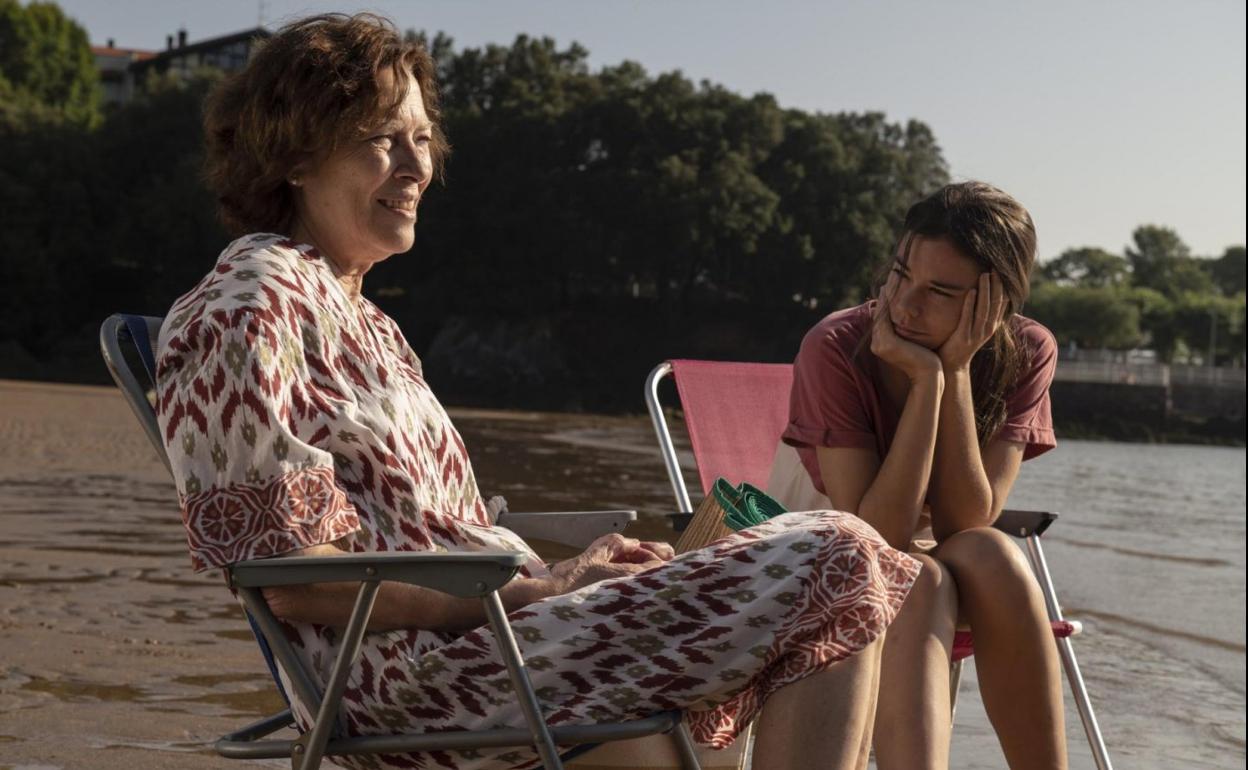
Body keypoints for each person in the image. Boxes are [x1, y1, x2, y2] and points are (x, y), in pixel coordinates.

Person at [153, 14, 920, 770]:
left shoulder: (369, 323)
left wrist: (566, 579)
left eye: (421, 140)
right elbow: (296, 578)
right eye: (381, 138)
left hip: (496, 639)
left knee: (831, 558)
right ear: (294, 153)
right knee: (840, 553)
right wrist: (520, 595)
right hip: (413, 683)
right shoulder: (251, 299)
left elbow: (431, 528)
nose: (416, 167)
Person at [769, 181, 1066, 769]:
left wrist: (953, 372)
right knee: (919, 579)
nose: (903, 306)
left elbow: (966, 521)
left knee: (996, 555)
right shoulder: (835, 345)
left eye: (939, 292)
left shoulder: (1027, 350)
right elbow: (873, 535)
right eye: (901, 274)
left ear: (994, 303)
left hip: (926, 551)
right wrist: (926, 383)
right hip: (812, 548)